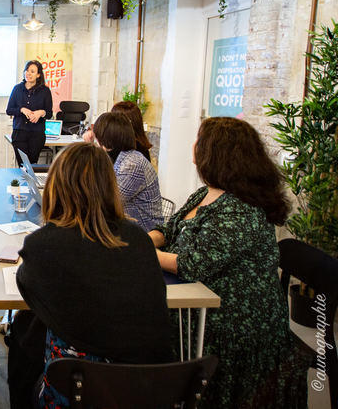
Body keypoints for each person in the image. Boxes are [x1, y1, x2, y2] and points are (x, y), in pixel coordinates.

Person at [150, 117, 308, 408]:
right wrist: (148, 240)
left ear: (216, 153)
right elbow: (169, 229)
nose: (194, 144)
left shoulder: (240, 210)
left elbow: (192, 264)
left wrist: (142, 254)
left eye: (200, 139)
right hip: (200, 303)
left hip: (233, 327)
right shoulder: (206, 192)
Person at [16, 143, 173, 408]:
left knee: (25, 331)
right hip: (147, 390)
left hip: (78, 390)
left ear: (55, 186)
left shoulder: (43, 244)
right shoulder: (138, 240)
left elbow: (27, 287)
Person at [91, 112, 163, 232]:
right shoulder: (122, 156)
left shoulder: (132, 164)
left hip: (143, 232)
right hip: (126, 226)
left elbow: (107, 202)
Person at [6, 60, 53, 166]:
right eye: (27, 70)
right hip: (19, 133)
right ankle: (23, 183)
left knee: (32, 165)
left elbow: (49, 113)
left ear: (38, 75)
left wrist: (41, 112)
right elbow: (9, 110)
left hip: (36, 134)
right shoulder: (17, 89)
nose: (28, 73)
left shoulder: (45, 91)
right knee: (23, 165)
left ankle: (31, 183)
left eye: (32, 71)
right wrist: (22, 109)